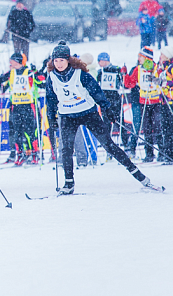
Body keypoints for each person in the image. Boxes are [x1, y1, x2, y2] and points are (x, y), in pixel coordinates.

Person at [46, 41, 162, 194]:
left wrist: (107, 108)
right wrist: (51, 118)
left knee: (109, 145)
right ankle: (68, 184)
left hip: (88, 113)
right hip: (67, 116)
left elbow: (96, 92)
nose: (59, 64)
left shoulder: (80, 74)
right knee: (66, 150)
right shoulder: (51, 77)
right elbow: (51, 99)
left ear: (68, 60)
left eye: (62, 60)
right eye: (56, 61)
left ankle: (140, 177)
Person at [0, 52, 42, 165]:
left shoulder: (28, 72)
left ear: (18, 61)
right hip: (15, 105)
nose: (10, 62)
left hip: (28, 105)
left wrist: (36, 72)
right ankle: (20, 155)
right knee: (17, 132)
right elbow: (0, 81)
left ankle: (34, 155)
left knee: (30, 131)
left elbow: (41, 81)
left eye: (12, 60)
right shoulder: (11, 72)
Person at [123, 46, 162, 163]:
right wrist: (125, 74)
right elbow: (130, 84)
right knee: (147, 129)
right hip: (144, 103)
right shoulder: (138, 69)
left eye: (140, 57)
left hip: (156, 103)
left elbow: (163, 82)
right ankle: (149, 154)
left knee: (158, 127)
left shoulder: (157, 68)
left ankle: (162, 152)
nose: (138, 59)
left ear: (146, 58)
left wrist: (155, 79)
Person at [96, 52, 125, 157]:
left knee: (119, 122)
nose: (99, 63)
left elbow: (122, 82)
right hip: (105, 101)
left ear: (104, 60)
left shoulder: (115, 69)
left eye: (99, 61)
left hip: (115, 100)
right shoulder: (100, 72)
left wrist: (122, 74)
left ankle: (126, 146)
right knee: (106, 125)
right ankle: (109, 149)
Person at [157, 46, 173, 165]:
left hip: (171, 102)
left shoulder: (171, 68)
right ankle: (167, 154)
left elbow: (169, 82)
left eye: (162, 55)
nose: (160, 57)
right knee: (166, 129)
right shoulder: (162, 68)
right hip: (164, 102)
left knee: (170, 129)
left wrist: (166, 84)